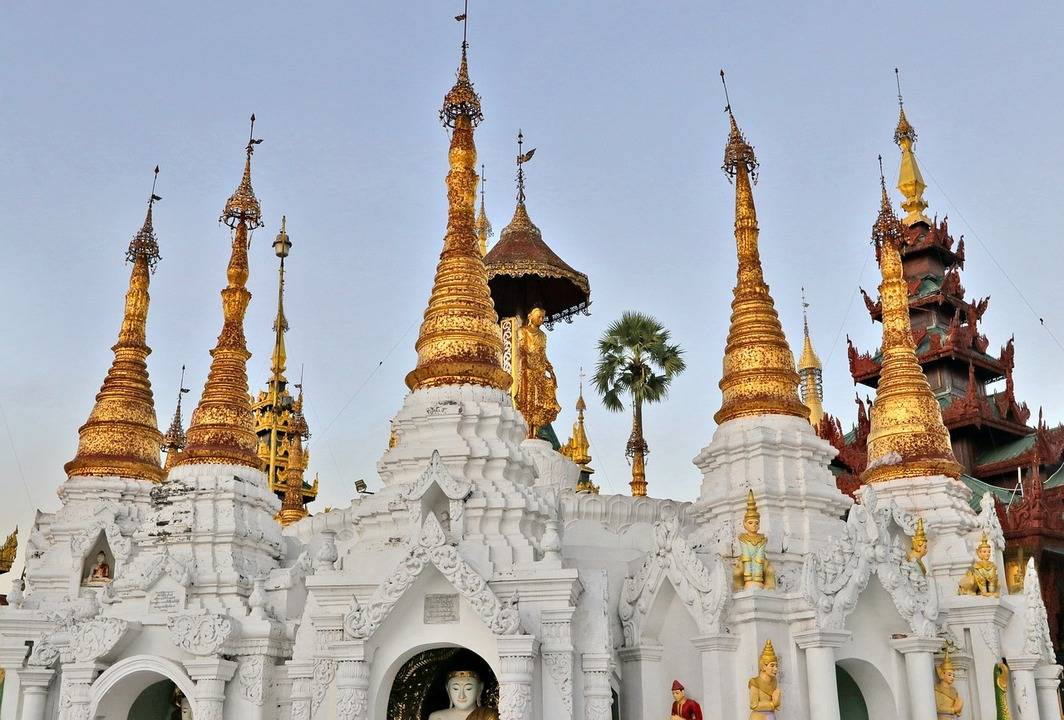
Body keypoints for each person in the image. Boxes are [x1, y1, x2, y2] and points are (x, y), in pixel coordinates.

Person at [515, 307, 561, 439]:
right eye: (539, 316)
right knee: (529, 400)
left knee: (539, 401)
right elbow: (522, 349)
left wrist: (550, 369)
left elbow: (543, 354)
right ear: (530, 316)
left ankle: (536, 431)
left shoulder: (542, 335)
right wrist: (525, 363)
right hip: (528, 370)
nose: (541, 319)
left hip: (540, 371)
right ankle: (528, 431)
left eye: (543, 317)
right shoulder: (522, 331)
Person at [734, 490, 774, 590]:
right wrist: (749, 579)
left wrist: (757, 578)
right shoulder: (742, 538)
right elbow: (746, 555)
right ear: (745, 524)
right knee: (738, 571)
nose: (754, 526)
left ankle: (768, 586)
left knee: (769, 569)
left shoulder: (763, 539)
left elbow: (760, 556)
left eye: (756, 523)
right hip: (746, 562)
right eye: (750, 523)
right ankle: (739, 587)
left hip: (760, 564)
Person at [427, 670, 498, 720]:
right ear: (447, 689)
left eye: (468, 688)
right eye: (455, 689)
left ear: (480, 688)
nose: (461, 696)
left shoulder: (488, 716)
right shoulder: (437, 717)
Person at [958, 533, 999, 597]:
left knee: (994, 580)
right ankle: (982, 591)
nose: (987, 554)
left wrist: (992, 592)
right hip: (979, 586)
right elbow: (981, 580)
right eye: (984, 552)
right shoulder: (977, 565)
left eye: (989, 551)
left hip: (989, 589)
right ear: (979, 553)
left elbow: (992, 580)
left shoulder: (992, 565)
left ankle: (990, 591)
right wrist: (984, 592)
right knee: (978, 580)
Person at [748, 640, 781, 719]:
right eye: (772, 666)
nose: (775, 669)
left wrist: (777, 699)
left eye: (776, 666)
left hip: (771, 715)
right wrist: (773, 704)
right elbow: (754, 705)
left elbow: (775, 700)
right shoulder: (755, 682)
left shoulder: (774, 681)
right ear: (763, 666)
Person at [934, 651, 963, 719]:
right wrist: (954, 710)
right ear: (942, 675)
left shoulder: (954, 690)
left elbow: (957, 706)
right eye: (949, 675)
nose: (952, 677)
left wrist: (959, 708)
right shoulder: (937, 689)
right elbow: (939, 708)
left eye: (953, 675)